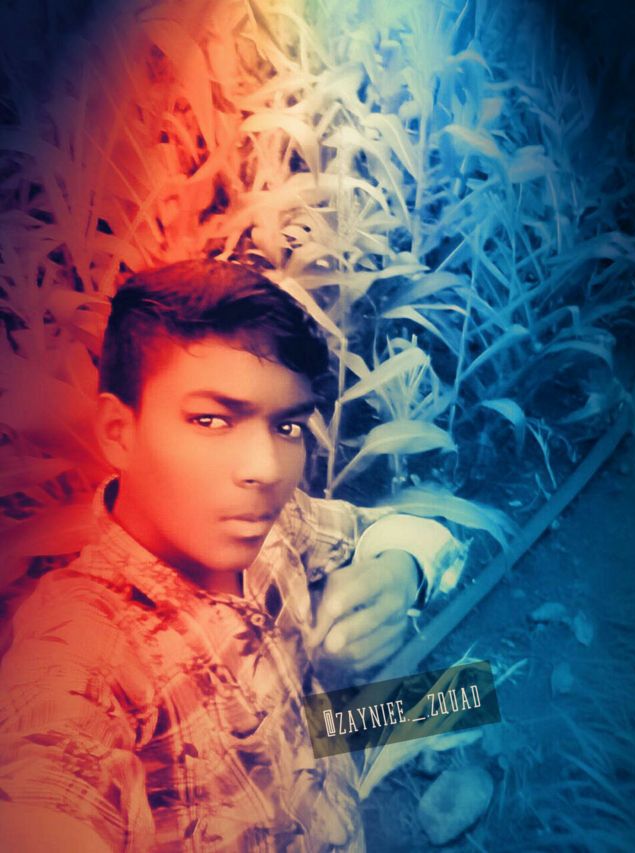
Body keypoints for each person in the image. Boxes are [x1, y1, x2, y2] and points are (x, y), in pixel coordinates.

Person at [0, 258, 463, 851]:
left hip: (327, 781)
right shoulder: (84, 651)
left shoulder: (277, 526)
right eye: (212, 420)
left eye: (287, 427)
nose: (265, 469)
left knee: (467, 695)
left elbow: (408, 534)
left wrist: (400, 572)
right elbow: (50, 782)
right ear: (119, 432)